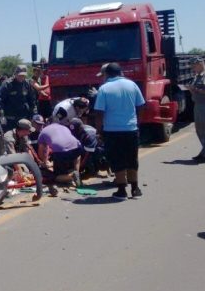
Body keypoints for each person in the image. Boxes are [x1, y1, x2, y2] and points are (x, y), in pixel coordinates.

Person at [94, 62, 146, 199]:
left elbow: (99, 113)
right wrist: (137, 123)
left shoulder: (104, 89)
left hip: (112, 130)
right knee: (132, 159)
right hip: (131, 128)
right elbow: (141, 106)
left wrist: (99, 131)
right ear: (121, 72)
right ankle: (135, 189)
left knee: (117, 159)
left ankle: (122, 190)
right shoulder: (132, 85)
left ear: (107, 74)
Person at [3, 118, 46, 200]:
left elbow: (29, 151)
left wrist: (34, 166)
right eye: (29, 131)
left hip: (17, 159)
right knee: (17, 174)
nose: (30, 133)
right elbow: (13, 156)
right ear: (23, 130)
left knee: (26, 172)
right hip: (6, 161)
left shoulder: (24, 136)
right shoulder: (9, 138)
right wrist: (19, 171)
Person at [38, 121, 83, 190]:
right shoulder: (64, 127)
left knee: (56, 177)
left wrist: (44, 162)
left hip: (61, 150)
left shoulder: (43, 132)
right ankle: (76, 171)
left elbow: (42, 150)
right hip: (77, 147)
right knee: (77, 156)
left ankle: (71, 176)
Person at [0, 65, 37, 130]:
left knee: (24, 135)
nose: (22, 77)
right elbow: (0, 99)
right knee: (10, 135)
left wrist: (33, 113)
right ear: (15, 74)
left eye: (23, 75)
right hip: (10, 118)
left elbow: (32, 99)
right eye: (20, 75)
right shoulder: (8, 84)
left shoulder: (27, 84)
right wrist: (2, 115)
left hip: (23, 117)